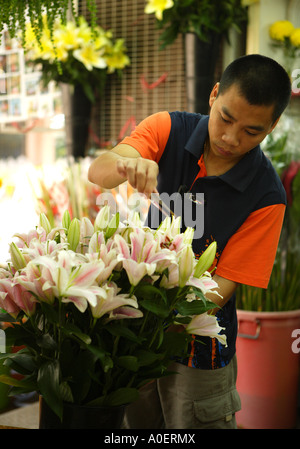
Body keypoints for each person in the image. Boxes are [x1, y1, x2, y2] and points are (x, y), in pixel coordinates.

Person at [88, 54, 291, 429]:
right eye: (226, 118)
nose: (231, 138)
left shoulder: (267, 196)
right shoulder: (168, 128)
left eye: (252, 131)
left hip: (201, 345)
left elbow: (221, 289)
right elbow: (99, 171)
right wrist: (126, 164)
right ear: (213, 95)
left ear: (272, 127)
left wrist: (156, 321)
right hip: (135, 331)